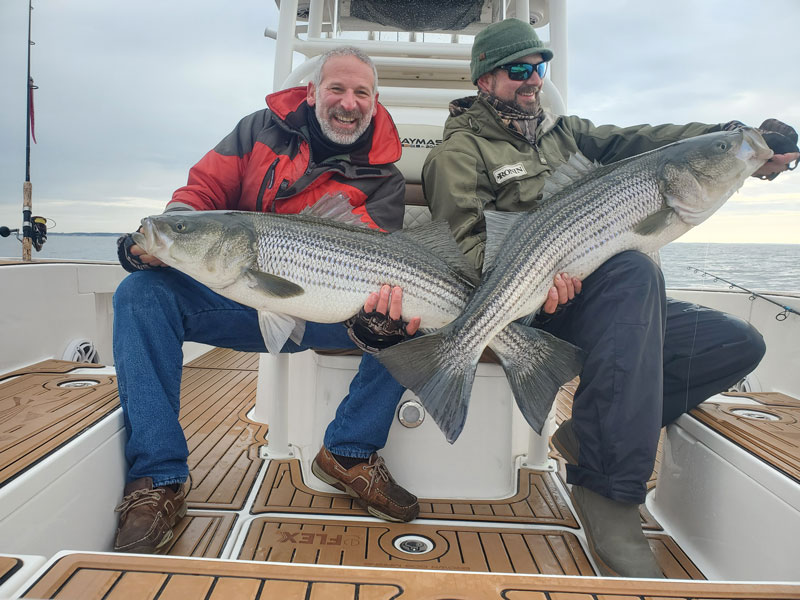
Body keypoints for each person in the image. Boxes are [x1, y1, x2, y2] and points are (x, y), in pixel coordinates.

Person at [421, 18, 799, 578]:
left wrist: (737, 138)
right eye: (517, 69)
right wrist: (538, 278)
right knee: (634, 270)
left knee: (735, 343)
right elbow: (464, 251)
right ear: (484, 80)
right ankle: (607, 489)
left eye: (539, 66)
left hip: (606, 300)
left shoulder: (566, 132)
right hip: (528, 307)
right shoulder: (460, 152)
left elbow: (651, 143)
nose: (532, 79)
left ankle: (589, 435)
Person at [112, 46, 423, 554]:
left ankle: (348, 451)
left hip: (328, 310)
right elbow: (202, 194)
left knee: (410, 324)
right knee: (139, 295)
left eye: (360, 93)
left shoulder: (383, 177)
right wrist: (163, 236)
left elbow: (373, 250)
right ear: (312, 92)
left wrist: (376, 322)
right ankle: (157, 480)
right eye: (336, 89)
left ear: (374, 100)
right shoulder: (258, 130)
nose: (348, 103)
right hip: (240, 294)